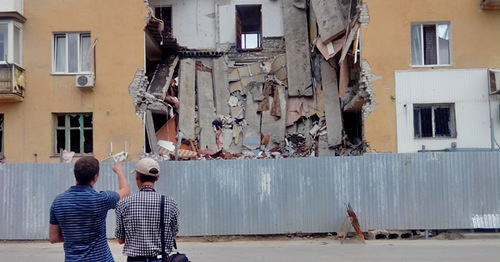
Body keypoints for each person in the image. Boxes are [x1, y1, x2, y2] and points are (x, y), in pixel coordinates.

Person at [49, 157, 130, 261]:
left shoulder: (58, 202)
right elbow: (125, 192)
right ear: (95, 177)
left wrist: (75, 236)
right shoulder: (101, 199)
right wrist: (119, 171)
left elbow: (54, 238)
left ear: (75, 175)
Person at [115, 157, 179, 262]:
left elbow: (121, 240)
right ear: (157, 177)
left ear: (136, 176)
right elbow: (173, 232)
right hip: (160, 258)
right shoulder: (170, 203)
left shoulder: (124, 204)